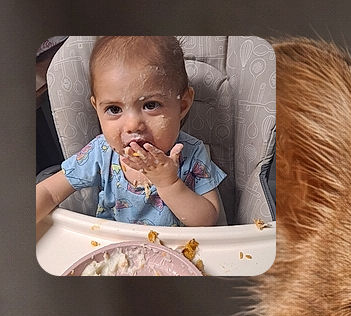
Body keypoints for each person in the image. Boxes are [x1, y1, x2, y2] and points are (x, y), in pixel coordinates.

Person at [36, 36, 225, 227]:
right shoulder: (100, 153)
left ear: (182, 105)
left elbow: (207, 221)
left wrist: (169, 184)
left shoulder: (192, 154)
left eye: (151, 105)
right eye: (114, 109)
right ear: (97, 108)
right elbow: (50, 192)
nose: (133, 125)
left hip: (176, 252)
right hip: (113, 251)